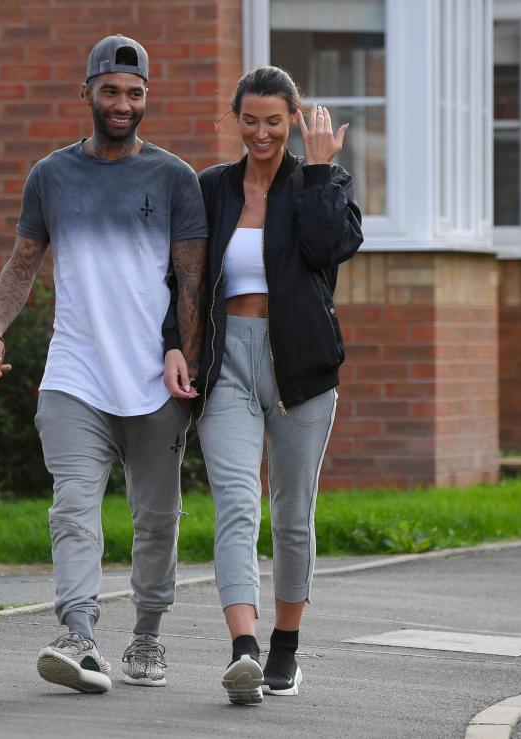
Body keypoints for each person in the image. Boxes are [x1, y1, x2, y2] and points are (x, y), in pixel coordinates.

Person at [0, 34, 207, 695]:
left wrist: (186, 360)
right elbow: (22, 264)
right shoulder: (51, 176)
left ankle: (148, 636)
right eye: (110, 91)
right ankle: (77, 632)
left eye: (135, 94)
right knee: (73, 507)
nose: (122, 103)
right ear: (87, 93)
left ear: (146, 98)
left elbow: (190, 283)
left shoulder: (174, 179)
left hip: (154, 382)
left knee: (157, 518)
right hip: (74, 374)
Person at [163, 66, 363, 705]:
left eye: (274, 121)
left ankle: (285, 649)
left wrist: (322, 170)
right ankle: (243, 650)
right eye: (249, 120)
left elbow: (330, 247)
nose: (261, 133)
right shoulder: (213, 188)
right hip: (226, 365)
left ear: (295, 121)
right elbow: (185, 278)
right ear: (234, 120)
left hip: (298, 369)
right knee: (236, 504)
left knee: (293, 516)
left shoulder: (315, 183)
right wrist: (175, 343)